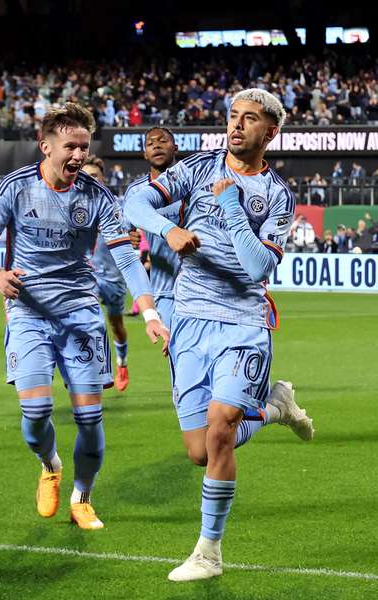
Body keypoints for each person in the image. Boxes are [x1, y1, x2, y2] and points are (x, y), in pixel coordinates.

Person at [125, 88, 314, 582]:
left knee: (223, 424)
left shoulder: (276, 194)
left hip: (244, 322)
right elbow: (134, 200)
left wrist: (230, 204)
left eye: (250, 119)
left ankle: (208, 552)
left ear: (270, 132)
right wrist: (166, 230)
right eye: (233, 116)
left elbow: (256, 268)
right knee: (200, 451)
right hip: (189, 321)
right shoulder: (198, 168)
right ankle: (276, 407)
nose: (237, 126)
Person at [0, 104, 169, 531]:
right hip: (28, 312)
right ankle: (50, 464)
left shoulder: (97, 197)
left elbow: (127, 258)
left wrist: (149, 311)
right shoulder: (15, 188)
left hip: (80, 313)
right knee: (36, 413)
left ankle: (82, 497)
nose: (78, 154)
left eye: (84, 146)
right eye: (70, 146)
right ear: (46, 146)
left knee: (90, 418)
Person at [80, 155, 131, 391]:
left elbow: (133, 232)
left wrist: (134, 237)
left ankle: (122, 362)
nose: (90, 180)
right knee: (88, 321)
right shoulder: (72, 205)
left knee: (115, 324)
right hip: (87, 276)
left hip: (113, 277)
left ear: (103, 179)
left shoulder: (117, 206)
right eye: (86, 176)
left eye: (95, 176)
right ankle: (95, 370)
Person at [122, 127, 181, 330]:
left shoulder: (193, 184)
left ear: (175, 148)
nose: (156, 145)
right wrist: (128, 237)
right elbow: (122, 234)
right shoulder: (136, 191)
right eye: (150, 143)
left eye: (163, 141)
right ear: (144, 154)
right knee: (178, 358)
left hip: (200, 289)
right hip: (164, 292)